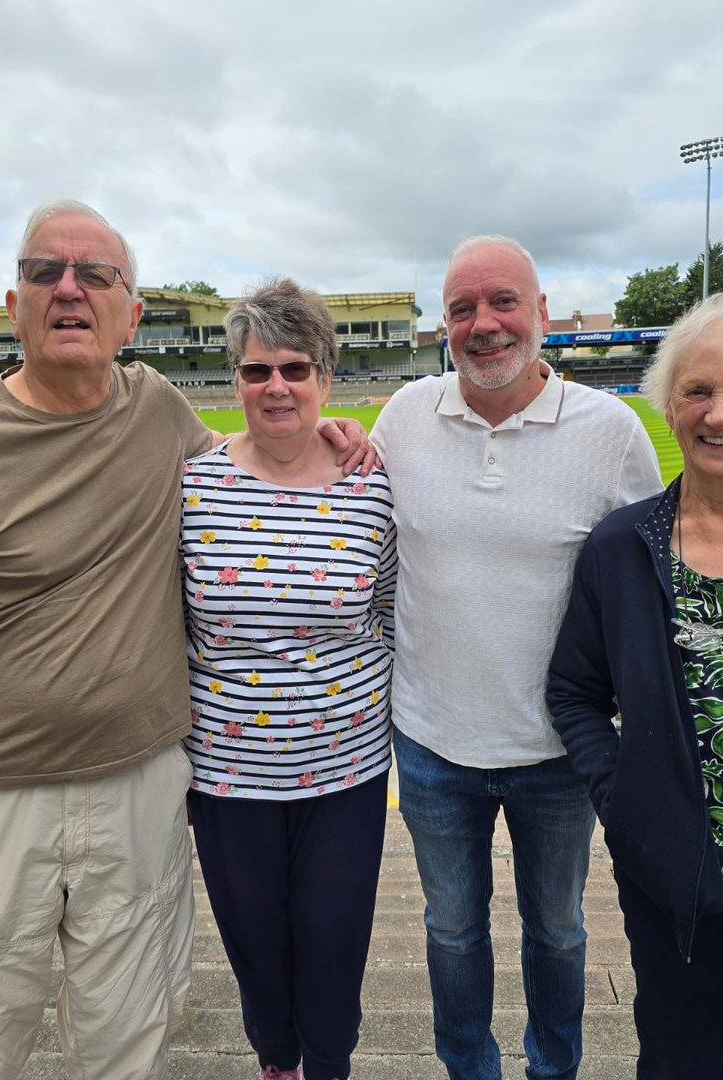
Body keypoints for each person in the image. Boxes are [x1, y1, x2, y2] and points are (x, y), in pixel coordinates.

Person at [0, 201, 368, 1080]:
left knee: (128, 1039)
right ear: (13, 305)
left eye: (95, 275)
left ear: (131, 314)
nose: (69, 290)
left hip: (142, 785)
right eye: (45, 271)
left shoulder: (157, 408)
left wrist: (325, 432)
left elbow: (252, 460)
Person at [369, 234, 662, 1080]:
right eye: (462, 308)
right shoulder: (403, 417)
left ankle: (552, 1068)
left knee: (559, 930)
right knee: (451, 929)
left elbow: (652, 580)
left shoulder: (611, 431)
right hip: (432, 743)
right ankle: (471, 1069)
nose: (484, 324)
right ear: (443, 326)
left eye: (503, 302)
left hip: (558, 751)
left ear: (541, 313)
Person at [547, 292, 723, 1079]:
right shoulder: (621, 546)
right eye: (697, 391)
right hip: (672, 873)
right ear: (669, 407)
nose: (720, 413)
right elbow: (573, 691)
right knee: (676, 1061)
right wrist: (625, 801)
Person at [181, 278, 397, 1080]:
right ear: (235, 380)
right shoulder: (193, 486)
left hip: (345, 770)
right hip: (227, 774)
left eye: (295, 369)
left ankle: (328, 1066)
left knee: (334, 949)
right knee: (257, 952)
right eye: (257, 370)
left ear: (325, 378)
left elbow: (387, 607)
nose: (276, 386)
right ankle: (277, 1062)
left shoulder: (370, 483)